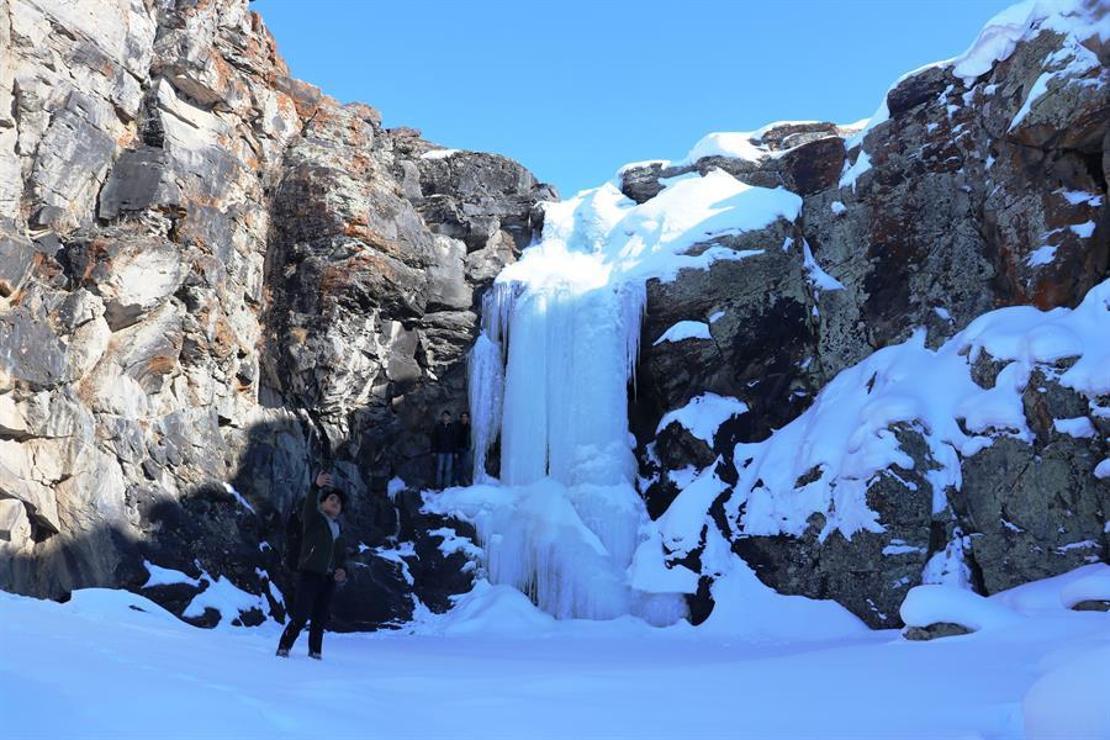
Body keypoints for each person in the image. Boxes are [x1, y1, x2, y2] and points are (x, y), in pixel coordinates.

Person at [276, 471, 348, 660]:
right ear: (323, 503)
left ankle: (315, 652)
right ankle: (284, 646)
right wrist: (316, 486)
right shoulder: (314, 519)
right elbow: (309, 504)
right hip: (309, 573)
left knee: (320, 618)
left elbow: (341, 557)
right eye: (331, 499)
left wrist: (342, 570)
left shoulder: (338, 531)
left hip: (328, 579)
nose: (335, 503)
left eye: (338, 503)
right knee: (301, 615)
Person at [431, 410, 454, 489]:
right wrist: (434, 450)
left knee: (448, 470)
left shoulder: (452, 427)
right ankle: (438, 486)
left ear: (449, 417)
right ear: (441, 417)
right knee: (439, 469)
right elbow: (434, 439)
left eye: (447, 416)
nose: (445, 417)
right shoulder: (438, 427)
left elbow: (454, 440)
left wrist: (455, 451)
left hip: (449, 451)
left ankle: (447, 486)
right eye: (444, 416)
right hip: (440, 451)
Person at [453, 411, 472, 486]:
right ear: (460, 418)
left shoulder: (468, 427)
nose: (464, 418)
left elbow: (468, 438)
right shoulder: (456, 426)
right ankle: (456, 481)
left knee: (465, 466)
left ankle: (464, 481)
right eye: (463, 417)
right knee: (457, 466)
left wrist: (469, 446)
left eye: (465, 417)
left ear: (467, 418)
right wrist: (455, 451)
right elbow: (454, 438)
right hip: (457, 449)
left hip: (465, 449)